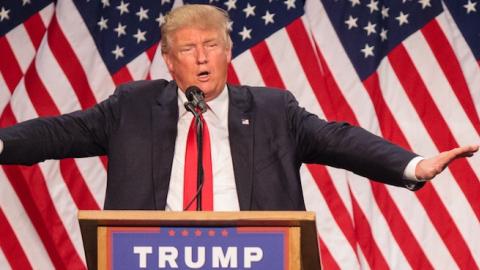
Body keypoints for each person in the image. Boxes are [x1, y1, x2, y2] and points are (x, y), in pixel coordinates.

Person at [0, 5, 477, 211]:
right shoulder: (131, 106)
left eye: (212, 45)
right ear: (168, 60)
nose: (202, 57)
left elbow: (339, 138)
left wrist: (413, 164)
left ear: (228, 52)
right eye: (188, 49)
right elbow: (57, 133)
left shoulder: (273, 110)